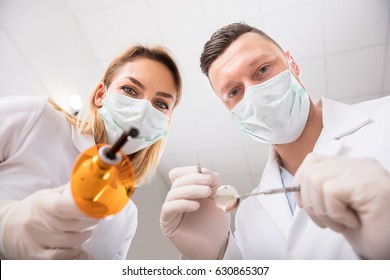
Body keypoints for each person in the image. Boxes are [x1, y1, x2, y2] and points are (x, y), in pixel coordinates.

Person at [160, 22, 390, 259]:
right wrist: (214, 257)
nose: (254, 93)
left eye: (262, 70)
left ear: (294, 65)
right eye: (234, 92)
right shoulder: (249, 215)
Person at [0, 44, 182, 260]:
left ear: (165, 125)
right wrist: (7, 227)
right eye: (130, 90)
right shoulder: (35, 118)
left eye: (160, 104)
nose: (143, 111)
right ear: (100, 95)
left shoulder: (127, 216)